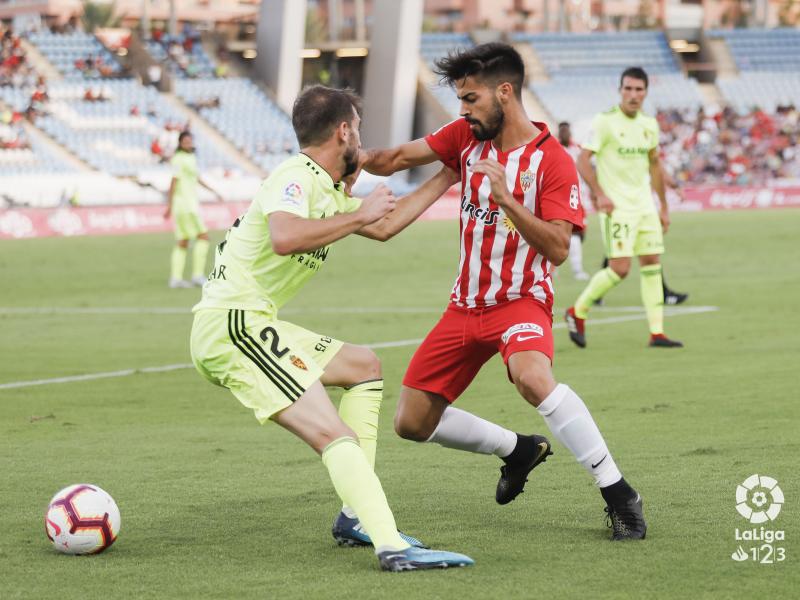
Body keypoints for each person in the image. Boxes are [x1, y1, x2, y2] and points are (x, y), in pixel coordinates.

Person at [362, 43, 646, 541]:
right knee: (410, 422)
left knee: (533, 378)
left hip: (521, 301)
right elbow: (393, 158)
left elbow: (559, 247)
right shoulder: (464, 138)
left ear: (505, 93)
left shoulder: (552, 162)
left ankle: (618, 493)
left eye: (471, 98)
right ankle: (516, 449)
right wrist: (337, 154)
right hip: (464, 305)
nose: (463, 110)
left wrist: (507, 200)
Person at [190, 84, 474, 571]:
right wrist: (359, 210)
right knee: (333, 433)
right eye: (357, 130)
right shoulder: (294, 176)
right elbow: (284, 238)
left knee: (363, 365)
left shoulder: (323, 186)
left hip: (252, 321)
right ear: (343, 130)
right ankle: (391, 545)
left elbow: (383, 226)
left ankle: (354, 518)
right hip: (233, 325)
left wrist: (448, 175)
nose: (360, 142)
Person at [565, 67, 683, 348]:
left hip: (645, 207)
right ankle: (577, 311)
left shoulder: (648, 125)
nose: (633, 95)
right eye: (628, 89)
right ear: (620, 90)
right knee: (619, 269)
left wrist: (663, 207)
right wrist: (600, 194)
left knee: (652, 263)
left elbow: (655, 166)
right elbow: (583, 160)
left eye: (638, 90)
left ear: (645, 93)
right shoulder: (605, 122)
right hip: (617, 209)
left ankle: (657, 332)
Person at [165, 131, 222, 288]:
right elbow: (173, 181)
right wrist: (169, 205)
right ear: (180, 142)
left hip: (188, 204)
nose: (188, 143)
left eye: (190, 140)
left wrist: (213, 191)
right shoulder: (178, 159)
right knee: (203, 237)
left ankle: (176, 279)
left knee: (183, 241)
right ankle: (197, 275)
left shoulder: (191, 158)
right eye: (185, 140)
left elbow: (196, 179)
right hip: (185, 205)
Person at [557, 122, 590, 280]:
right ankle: (553, 269)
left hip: (576, 197)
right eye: (562, 130)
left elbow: (585, 170)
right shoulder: (552, 148)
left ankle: (576, 269)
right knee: (555, 232)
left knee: (578, 233)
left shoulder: (577, 149)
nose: (564, 133)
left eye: (566, 130)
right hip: (556, 196)